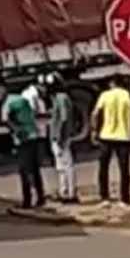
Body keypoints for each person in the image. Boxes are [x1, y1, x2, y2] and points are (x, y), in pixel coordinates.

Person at [91, 74, 130, 207]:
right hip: (124, 136)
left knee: (103, 168)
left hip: (106, 136)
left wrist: (94, 131)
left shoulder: (105, 95)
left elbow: (95, 114)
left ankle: (104, 197)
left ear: (112, 83)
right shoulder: (127, 95)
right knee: (124, 169)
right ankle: (125, 199)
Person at [2, 91, 45, 209]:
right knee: (34, 169)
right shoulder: (22, 99)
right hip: (33, 136)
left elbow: (5, 120)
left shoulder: (8, 103)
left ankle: (28, 200)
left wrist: (15, 130)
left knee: (25, 171)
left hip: (24, 140)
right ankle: (40, 197)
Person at [44, 72, 78, 204]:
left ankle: (71, 193)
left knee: (67, 166)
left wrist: (59, 136)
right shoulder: (58, 98)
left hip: (61, 137)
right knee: (61, 167)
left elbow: (63, 118)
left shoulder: (61, 98)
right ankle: (64, 192)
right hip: (58, 137)